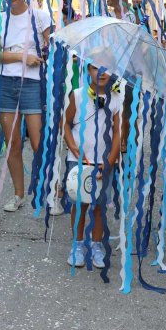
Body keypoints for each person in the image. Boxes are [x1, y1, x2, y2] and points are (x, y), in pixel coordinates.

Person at [0, 0, 52, 212]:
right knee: (12, 144)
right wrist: (22, 56)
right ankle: (18, 194)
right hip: (7, 83)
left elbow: (52, 46)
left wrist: (45, 51)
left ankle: (51, 191)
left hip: (33, 84)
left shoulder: (40, 16)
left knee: (38, 143)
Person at [63, 64, 122, 268]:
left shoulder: (116, 99)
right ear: (88, 70)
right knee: (80, 205)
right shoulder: (78, 95)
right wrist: (71, 145)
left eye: (107, 68)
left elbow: (117, 135)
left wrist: (109, 162)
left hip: (103, 162)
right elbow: (67, 124)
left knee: (99, 207)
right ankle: (77, 245)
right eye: (97, 68)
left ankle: (96, 245)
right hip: (78, 160)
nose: (102, 72)